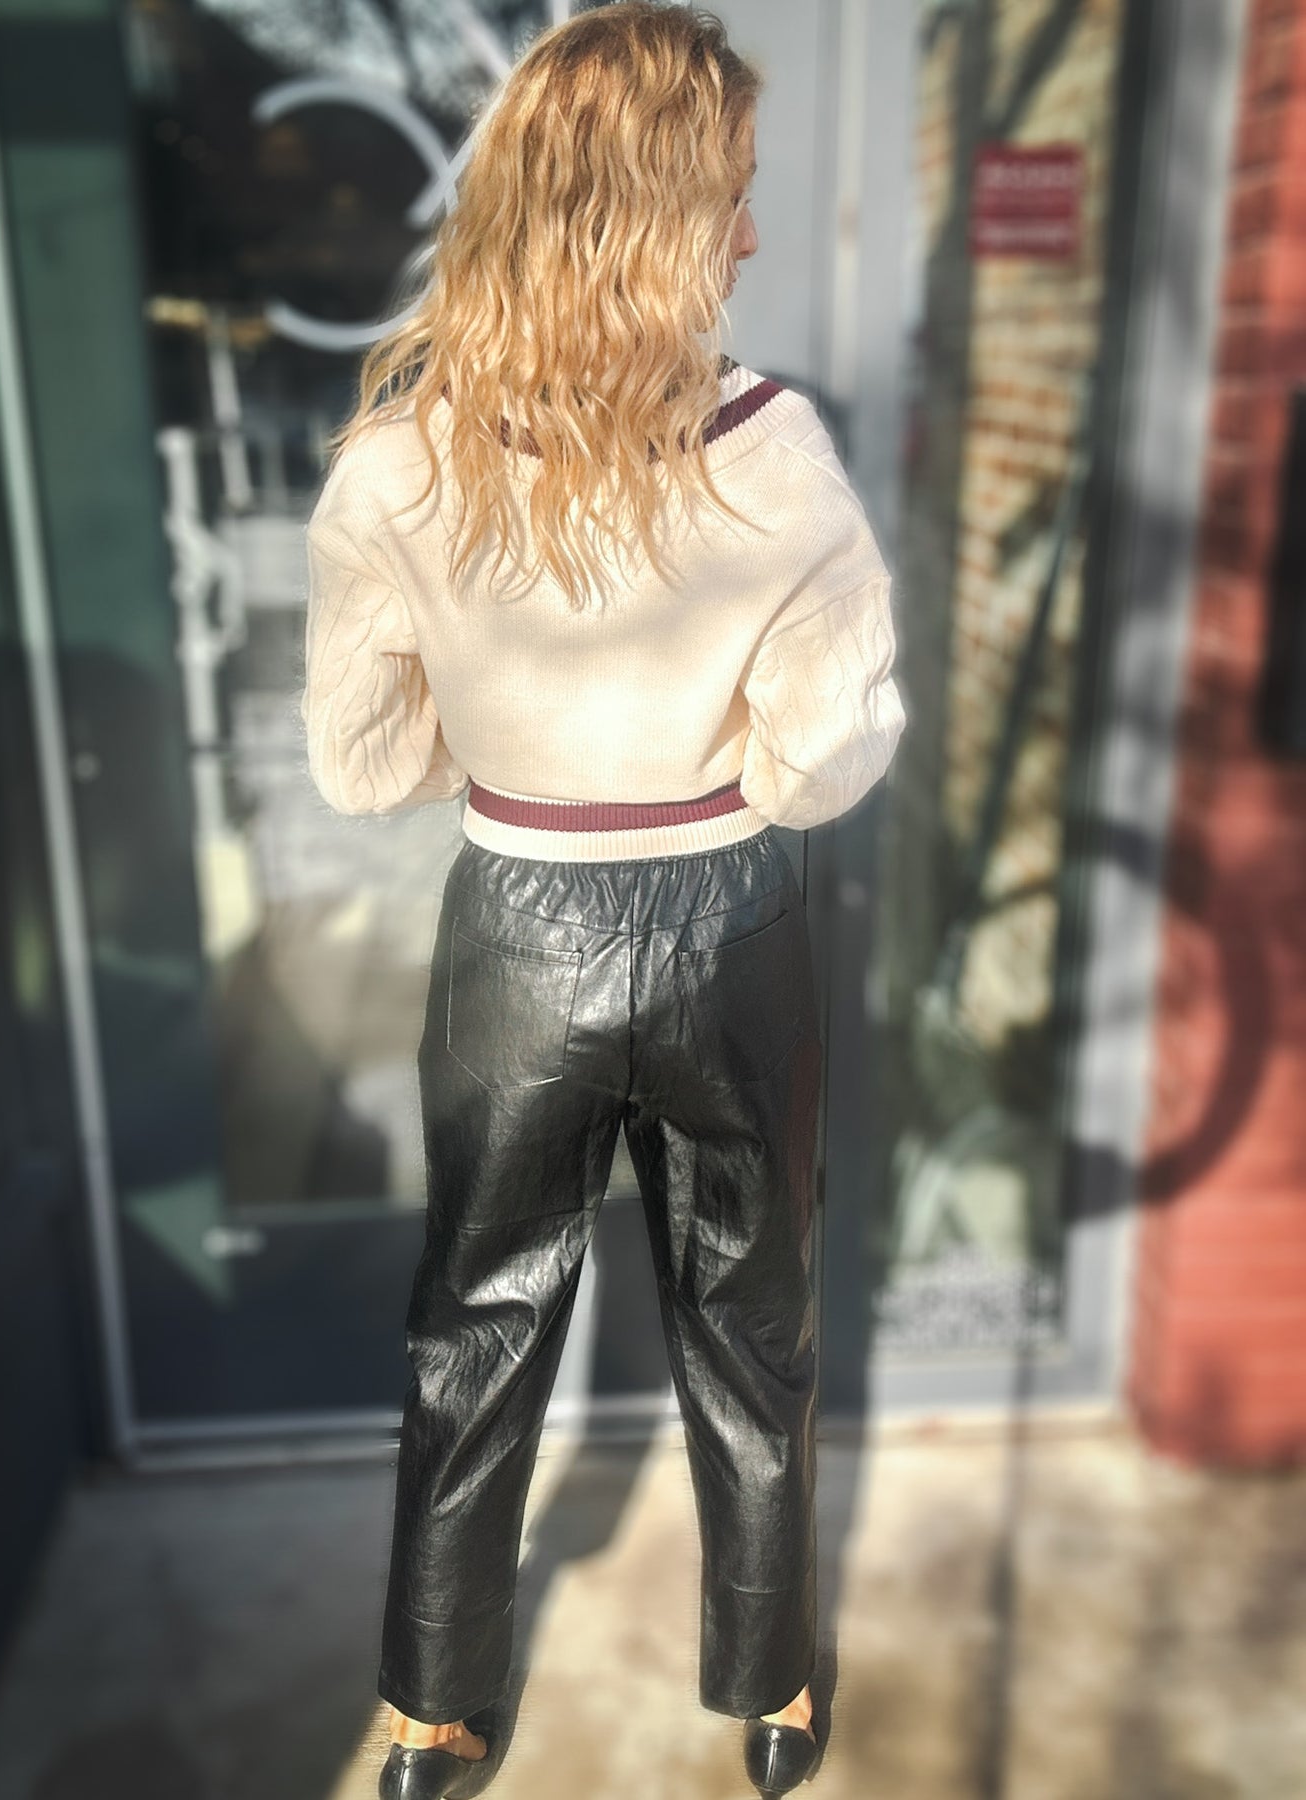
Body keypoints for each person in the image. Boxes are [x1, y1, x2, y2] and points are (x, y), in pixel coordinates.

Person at [299, 5, 905, 1795]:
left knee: (472, 1335)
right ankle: (773, 1694)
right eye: (730, 191)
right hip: (730, 922)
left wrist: (512, 763)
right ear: (650, 213)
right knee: (754, 1324)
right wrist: (716, 781)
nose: (752, 232)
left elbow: (361, 760)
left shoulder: (396, 465)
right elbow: (830, 753)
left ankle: (429, 1715)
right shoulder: (771, 450)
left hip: (517, 930)